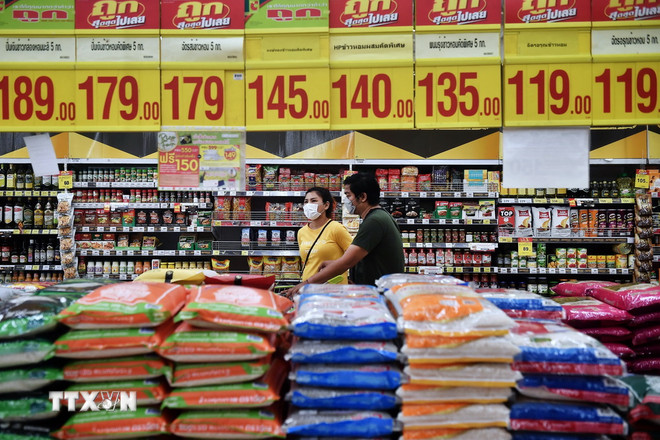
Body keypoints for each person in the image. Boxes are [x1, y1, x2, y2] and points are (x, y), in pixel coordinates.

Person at [287, 172, 404, 294]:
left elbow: (347, 261)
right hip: (380, 291)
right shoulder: (379, 216)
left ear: (362, 197)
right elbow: (361, 258)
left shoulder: (375, 221)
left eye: (348, 196)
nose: (347, 201)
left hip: (382, 294)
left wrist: (306, 284)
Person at [297, 186, 353, 284]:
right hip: (308, 288)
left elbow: (354, 258)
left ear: (326, 205)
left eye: (313, 201)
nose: (308, 205)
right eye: (306, 201)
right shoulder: (301, 232)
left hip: (333, 289)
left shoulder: (336, 228)